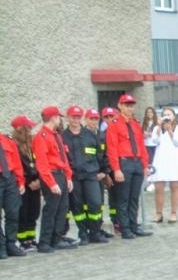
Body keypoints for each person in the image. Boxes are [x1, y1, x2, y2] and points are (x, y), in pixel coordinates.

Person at [105, 96, 151, 239]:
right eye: (127, 105)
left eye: (131, 105)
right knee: (123, 198)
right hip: (124, 163)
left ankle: (133, 225)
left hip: (137, 162)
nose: (130, 108)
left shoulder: (135, 123)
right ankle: (124, 228)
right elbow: (112, 148)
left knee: (134, 198)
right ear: (120, 106)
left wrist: (145, 164)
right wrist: (116, 168)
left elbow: (141, 145)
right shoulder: (114, 124)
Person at [62, 106, 110, 244]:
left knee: (95, 203)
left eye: (78, 117)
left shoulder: (90, 136)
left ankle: (94, 232)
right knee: (77, 207)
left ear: (81, 118)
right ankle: (83, 233)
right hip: (74, 177)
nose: (75, 120)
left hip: (91, 176)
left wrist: (104, 171)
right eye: (73, 117)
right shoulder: (62, 137)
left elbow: (100, 155)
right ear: (68, 117)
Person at [31, 106, 75, 252]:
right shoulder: (41, 137)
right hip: (52, 175)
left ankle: (56, 239)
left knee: (62, 209)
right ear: (52, 118)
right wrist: (51, 183)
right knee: (51, 210)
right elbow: (42, 164)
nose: (59, 120)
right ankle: (44, 242)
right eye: (58, 117)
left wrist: (68, 177)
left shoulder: (56, 135)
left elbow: (64, 158)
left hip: (61, 174)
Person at [146, 107, 178, 223]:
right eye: (164, 114)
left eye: (169, 114)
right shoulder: (157, 127)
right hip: (161, 159)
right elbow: (155, 140)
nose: (167, 116)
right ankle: (158, 214)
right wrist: (160, 127)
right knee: (158, 187)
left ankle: (173, 213)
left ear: (174, 116)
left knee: (174, 187)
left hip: (175, 160)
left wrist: (170, 131)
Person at [9, 116, 41, 249]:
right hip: (23, 184)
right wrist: (28, 182)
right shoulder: (14, 145)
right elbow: (17, 166)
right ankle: (22, 241)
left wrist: (39, 180)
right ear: (20, 129)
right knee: (23, 212)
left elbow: (39, 162)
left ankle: (31, 238)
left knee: (34, 211)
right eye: (28, 127)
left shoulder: (32, 143)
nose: (30, 129)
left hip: (36, 183)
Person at [0, 122, 25, 258]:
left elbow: (16, 162)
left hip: (9, 178)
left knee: (13, 212)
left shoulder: (7, 140)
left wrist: (20, 181)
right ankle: (1, 246)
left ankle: (11, 243)